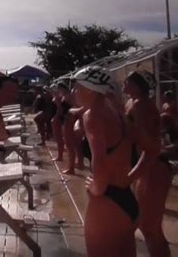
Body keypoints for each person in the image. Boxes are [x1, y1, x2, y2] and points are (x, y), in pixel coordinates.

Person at [73, 66, 159, 257]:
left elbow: (99, 162)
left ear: (89, 89)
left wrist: (97, 187)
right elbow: (152, 148)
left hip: (107, 206)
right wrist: (130, 178)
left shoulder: (92, 116)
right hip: (128, 203)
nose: (74, 91)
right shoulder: (117, 113)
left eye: (76, 86)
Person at [124, 70, 171, 257]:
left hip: (153, 167)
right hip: (148, 166)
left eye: (127, 81)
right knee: (144, 226)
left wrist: (132, 175)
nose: (124, 84)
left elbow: (150, 146)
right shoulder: (134, 103)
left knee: (151, 228)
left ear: (137, 85)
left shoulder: (141, 105)